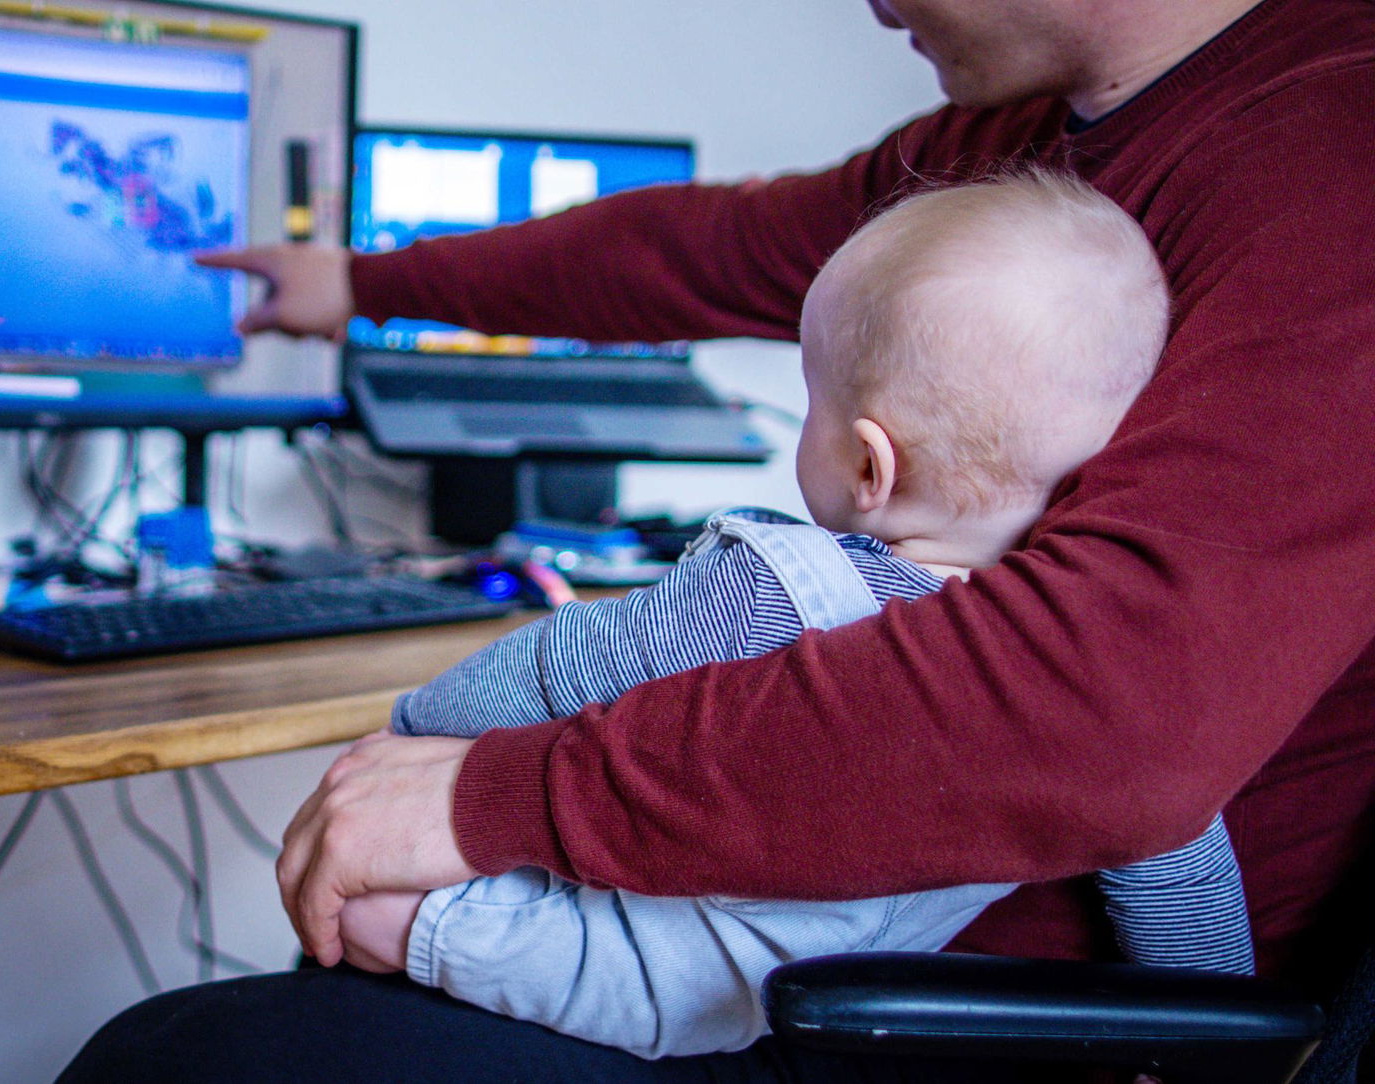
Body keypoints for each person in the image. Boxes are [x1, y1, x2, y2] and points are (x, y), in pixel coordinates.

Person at [64, 1, 1375, 1080]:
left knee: (184, 1059)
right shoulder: (1030, 144)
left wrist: (492, 794)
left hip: (960, 1013)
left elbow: (1111, 722)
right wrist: (364, 286)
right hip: (840, 951)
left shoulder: (1333, 155)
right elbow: (706, 250)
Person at [335, 171, 1252, 1060]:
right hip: (837, 997)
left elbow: (557, 667)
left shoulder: (780, 589)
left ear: (868, 468)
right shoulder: (1099, 684)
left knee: (365, 907)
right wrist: (1188, 1051)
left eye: (815, 398)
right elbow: (1182, 876)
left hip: (646, 965)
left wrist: (417, 733)